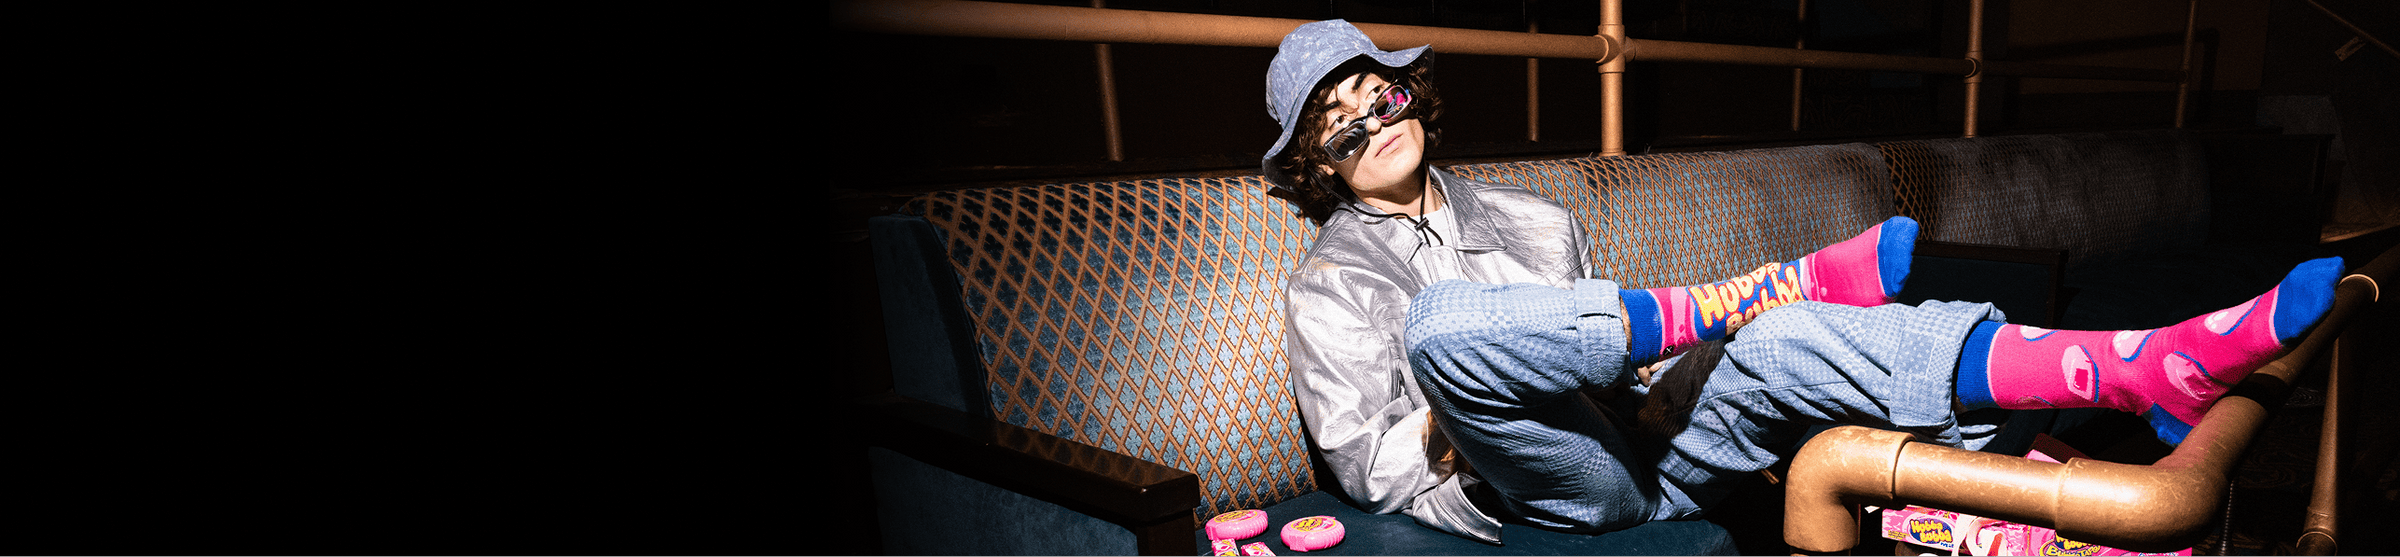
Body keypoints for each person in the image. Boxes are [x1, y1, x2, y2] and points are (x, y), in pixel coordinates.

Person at [1263, 19, 2343, 543]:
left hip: (1645, 445)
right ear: (1316, 160)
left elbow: (1614, 364)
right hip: (1539, 486)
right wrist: (1469, 408)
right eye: (1336, 120)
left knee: (1782, 332)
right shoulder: (1330, 284)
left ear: (1413, 99)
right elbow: (1365, 470)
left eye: (1377, 95)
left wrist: (1671, 370)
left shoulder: (1539, 221)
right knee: (1450, 325)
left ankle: (2137, 366)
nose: (1366, 123)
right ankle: (1734, 293)